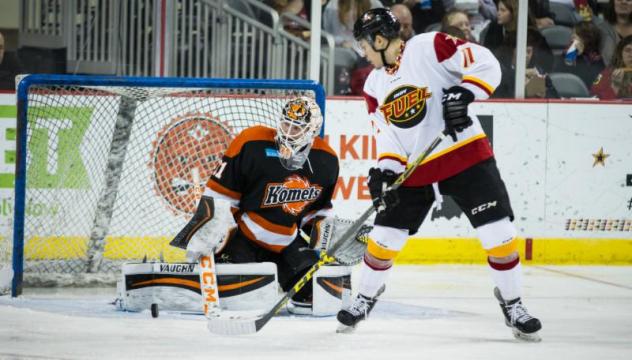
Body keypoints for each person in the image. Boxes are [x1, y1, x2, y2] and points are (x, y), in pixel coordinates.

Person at [336, 8, 542, 342]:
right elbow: (387, 136)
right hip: (415, 168)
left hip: (465, 156)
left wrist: (466, 92)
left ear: (378, 38)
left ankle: (513, 303)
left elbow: (484, 61)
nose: (362, 52)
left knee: (499, 235)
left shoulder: (427, 46)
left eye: (363, 44)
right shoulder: (374, 85)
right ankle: (365, 297)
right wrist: (384, 172)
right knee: (384, 240)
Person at [170, 97, 340, 312]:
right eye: (286, 123)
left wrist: (328, 236)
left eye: (297, 127)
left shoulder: (327, 160)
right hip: (245, 236)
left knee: (316, 295)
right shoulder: (252, 142)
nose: (288, 132)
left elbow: (315, 212)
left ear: (312, 130)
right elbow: (219, 196)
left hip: (287, 242)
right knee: (237, 297)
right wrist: (204, 235)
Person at [554, 21, 605, 89]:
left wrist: (580, 58)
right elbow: (560, 77)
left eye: (576, 35)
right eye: (573, 34)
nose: (572, 37)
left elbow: (591, 82)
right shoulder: (563, 57)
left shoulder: (599, 61)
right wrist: (571, 55)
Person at [592, 34, 632, 99]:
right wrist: (614, 87)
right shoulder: (607, 74)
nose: (631, 55)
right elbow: (595, 98)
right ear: (620, 54)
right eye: (628, 50)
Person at [596, 0, 632, 67]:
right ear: (613, 2)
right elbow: (609, 61)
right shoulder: (602, 29)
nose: (624, 2)